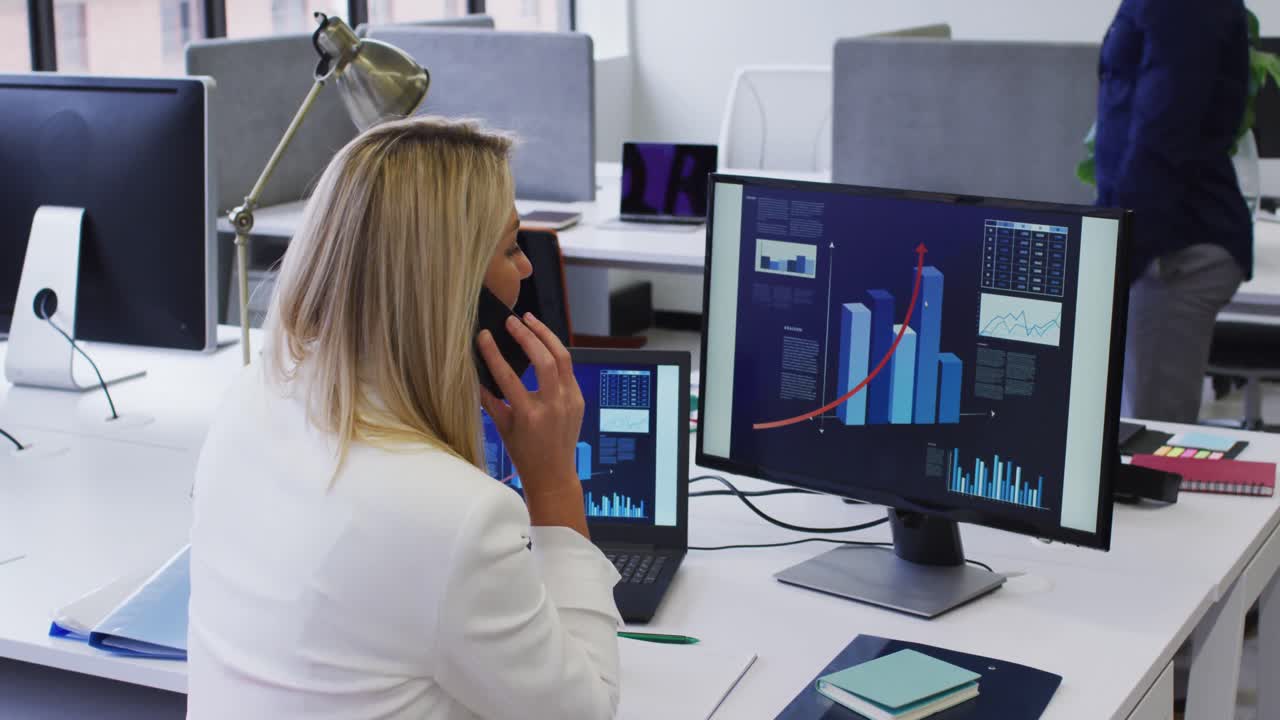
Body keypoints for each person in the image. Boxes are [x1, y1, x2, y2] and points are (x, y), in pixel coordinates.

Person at [187, 117, 622, 719]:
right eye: (511, 247)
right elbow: (587, 710)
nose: (526, 271)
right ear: (453, 290)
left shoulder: (245, 405)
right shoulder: (456, 515)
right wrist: (553, 486)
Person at [1095, 0, 1253, 423]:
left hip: (1171, 250)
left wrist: (1116, 254)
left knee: (1148, 448)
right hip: (1155, 242)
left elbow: (1162, 138)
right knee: (1132, 438)